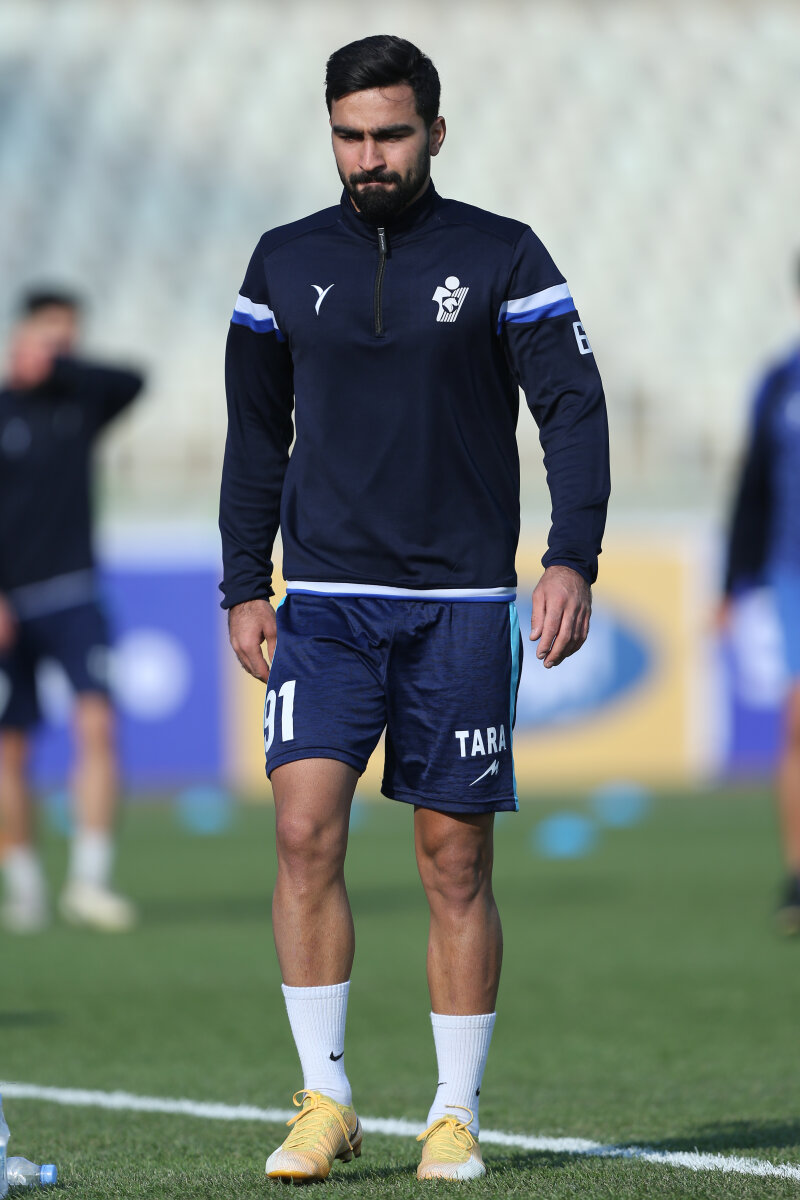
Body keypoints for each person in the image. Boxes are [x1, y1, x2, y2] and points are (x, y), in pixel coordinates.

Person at [220, 36, 609, 1183]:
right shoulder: (283, 261)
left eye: (390, 134)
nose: (368, 157)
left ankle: (452, 1112)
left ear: (434, 131)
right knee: (302, 831)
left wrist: (570, 557)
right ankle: (325, 1100)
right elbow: (255, 435)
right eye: (349, 136)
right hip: (326, 603)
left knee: (451, 860)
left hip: (457, 605)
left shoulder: (502, 254)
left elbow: (571, 408)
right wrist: (244, 582)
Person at [0, 288, 144, 933]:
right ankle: (25, 888)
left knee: (98, 727)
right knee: (11, 750)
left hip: (76, 593)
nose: (61, 349)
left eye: (69, 340)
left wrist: (59, 365)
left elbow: (134, 380)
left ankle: (89, 881)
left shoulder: (80, 402)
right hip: (10, 604)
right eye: (49, 337)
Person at [720, 260, 800, 932]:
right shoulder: (781, 383)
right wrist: (731, 582)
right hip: (792, 570)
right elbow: (752, 486)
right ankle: (798, 877)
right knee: (798, 722)